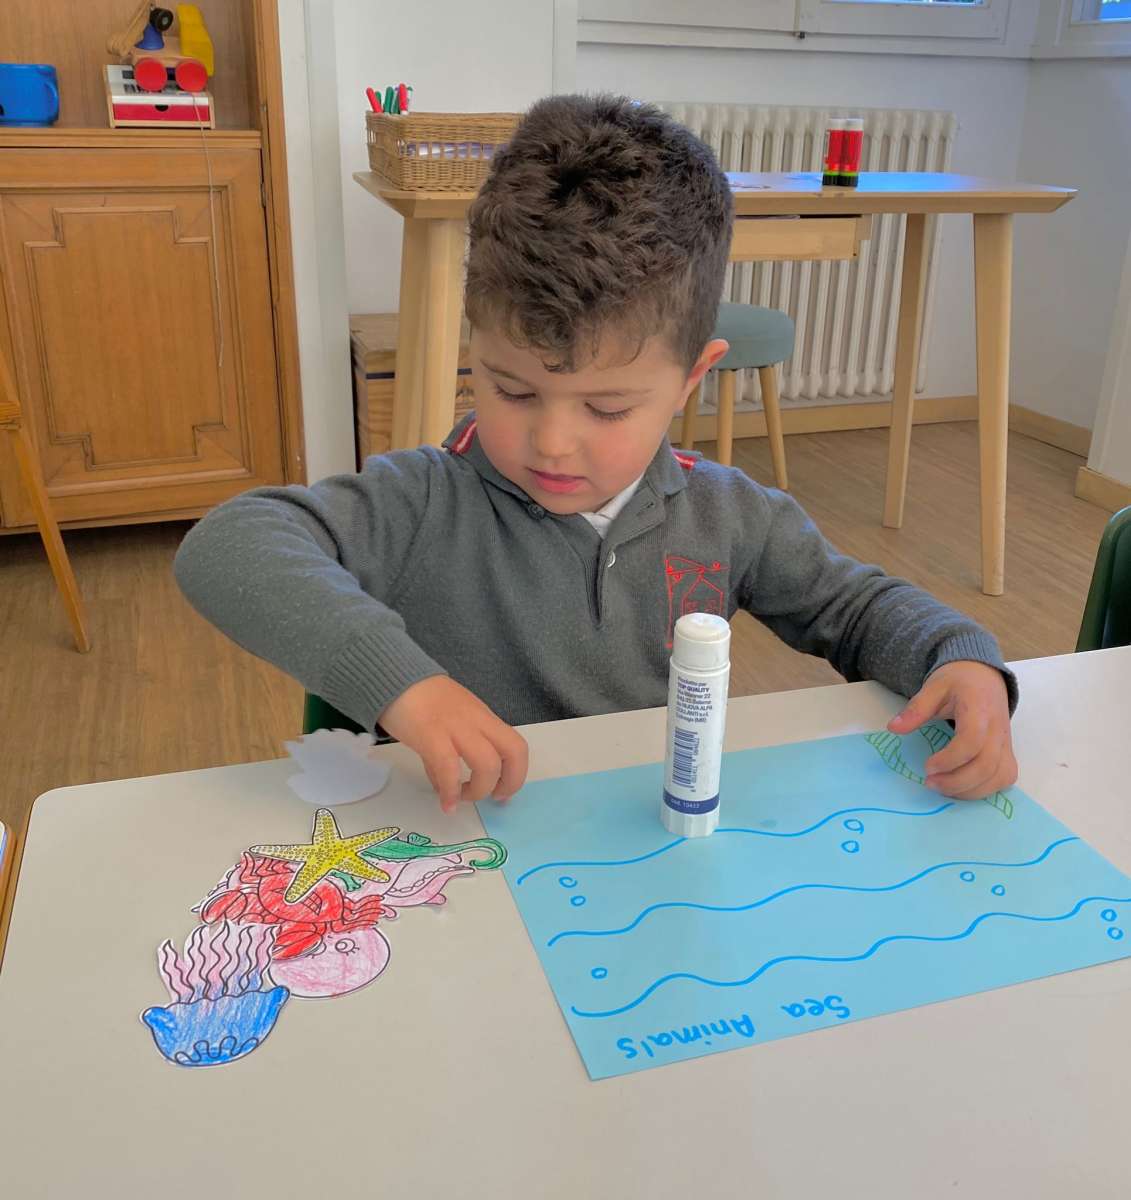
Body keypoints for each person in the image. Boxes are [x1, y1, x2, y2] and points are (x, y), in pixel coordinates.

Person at [175, 93, 1018, 814]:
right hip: (460, 849)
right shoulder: (423, 499)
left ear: (690, 380)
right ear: (474, 346)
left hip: (639, 839)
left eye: (607, 407)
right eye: (511, 389)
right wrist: (403, 685)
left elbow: (860, 610)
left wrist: (961, 658)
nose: (550, 441)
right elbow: (229, 544)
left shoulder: (730, 515)